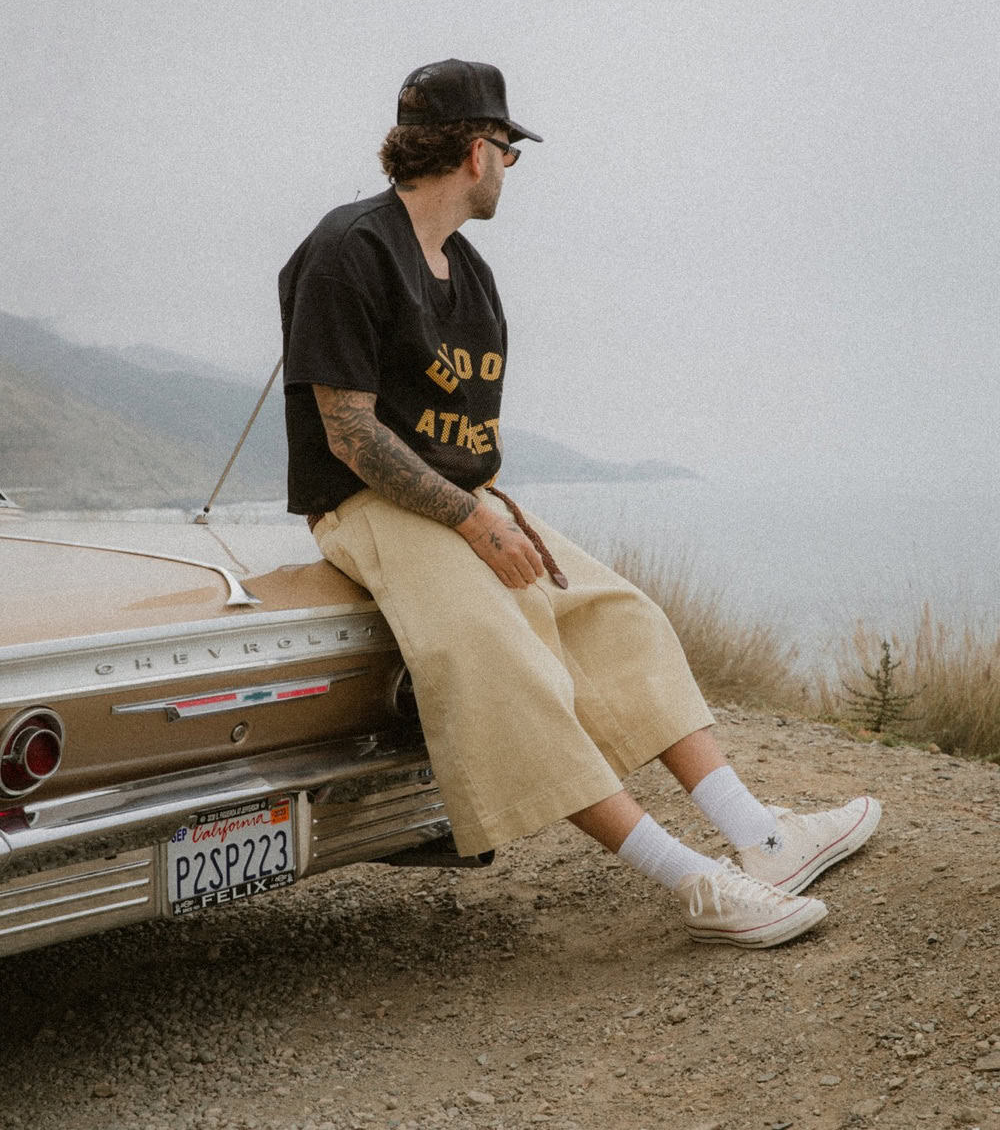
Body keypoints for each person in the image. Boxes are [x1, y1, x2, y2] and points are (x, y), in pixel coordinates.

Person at [278, 58, 881, 949]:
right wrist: (474, 520)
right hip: (371, 506)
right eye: (511, 153)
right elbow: (350, 434)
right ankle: (696, 883)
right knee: (504, 663)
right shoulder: (351, 249)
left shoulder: (468, 272)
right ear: (480, 153)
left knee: (615, 617)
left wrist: (485, 509)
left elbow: (453, 429)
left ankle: (763, 838)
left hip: (460, 496)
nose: (511, 171)